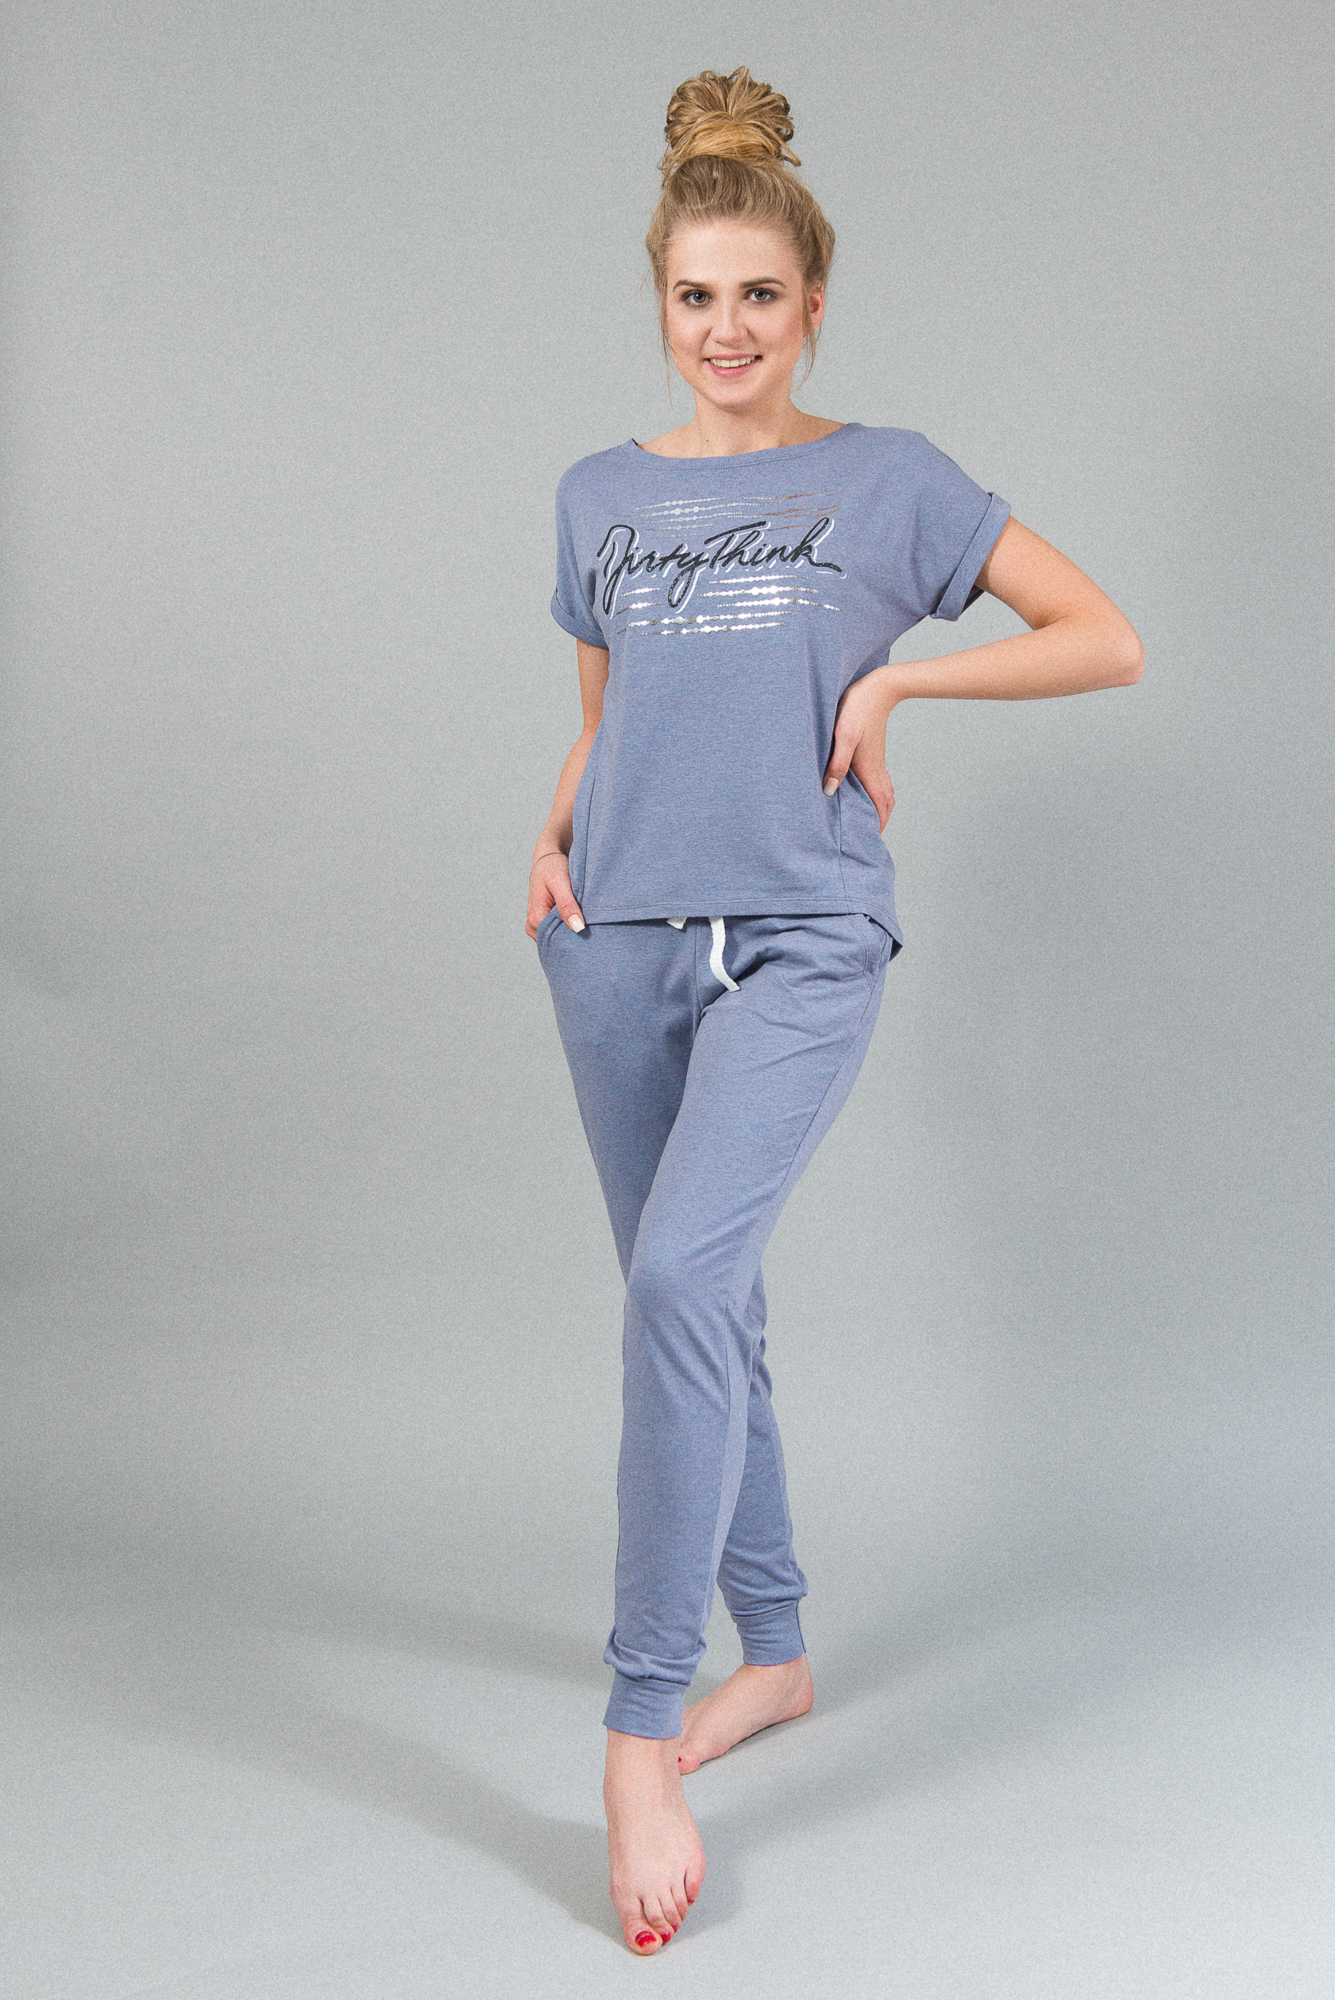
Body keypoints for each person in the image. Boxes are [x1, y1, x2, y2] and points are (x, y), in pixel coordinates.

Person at [525, 66, 1143, 1957]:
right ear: (660, 300)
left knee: (678, 1285)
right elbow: (610, 720)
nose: (726, 330)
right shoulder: (600, 495)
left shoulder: (891, 480)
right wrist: (551, 833)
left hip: (801, 934)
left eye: (759, 298)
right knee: (699, 1305)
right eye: (694, 296)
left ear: (812, 305)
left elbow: (1105, 635)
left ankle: (640, 1729)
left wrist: (897, 690)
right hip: (612, 934)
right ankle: (776, 1650)